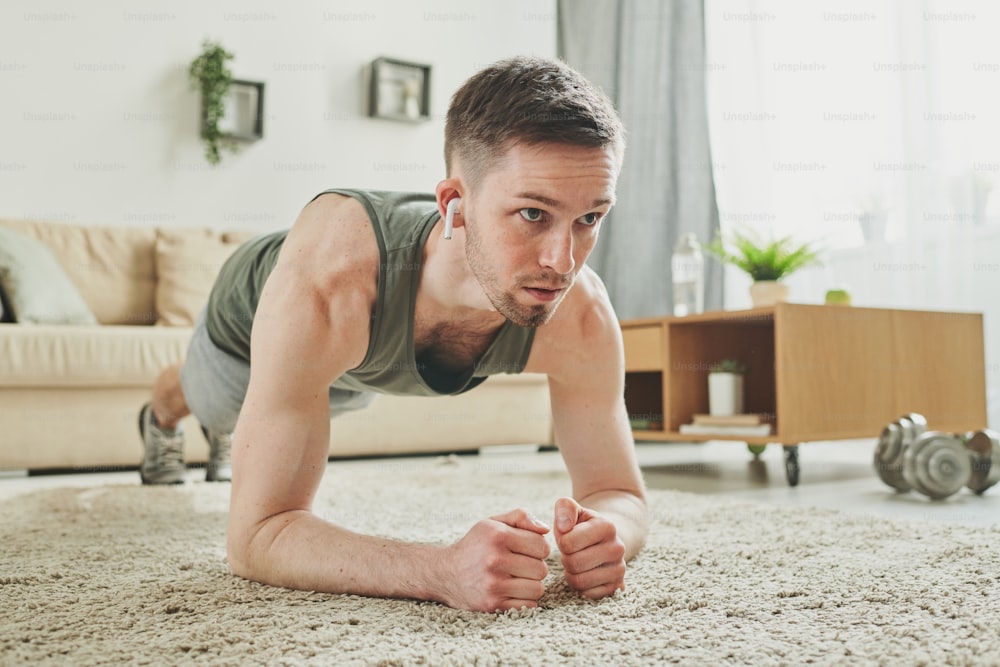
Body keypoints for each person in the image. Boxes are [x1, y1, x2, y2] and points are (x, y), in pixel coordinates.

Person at [138, 55, 649, 613]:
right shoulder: (333, 283)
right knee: (215, 407)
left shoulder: (582, 314)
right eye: (532, 214)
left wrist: (609, 535)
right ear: (456, 204)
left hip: (354, 363)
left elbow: (619, 492)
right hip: (250, 327)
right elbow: (257, 538)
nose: (561, 261)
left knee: (338, 394)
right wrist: (441, 571)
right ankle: (162, 415)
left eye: (590, 219)